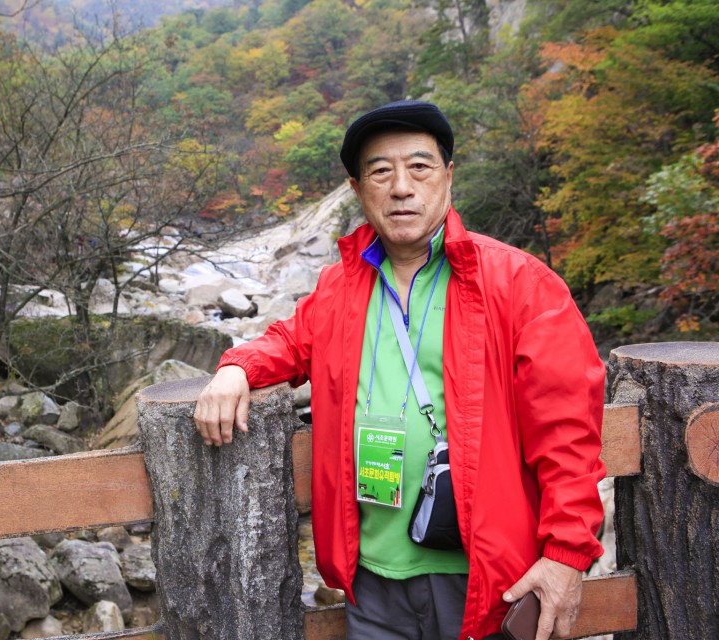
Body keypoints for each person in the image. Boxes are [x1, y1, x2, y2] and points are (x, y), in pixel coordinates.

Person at [193, 100, 605, 640]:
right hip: (372, 580)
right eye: (381, 172)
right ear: (358, 189)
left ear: (448, 176)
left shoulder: (520, 284)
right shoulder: (341, 287)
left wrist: (567, 555)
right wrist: (236, 368)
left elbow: (568, 433)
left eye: (419, 167)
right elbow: (289, 340)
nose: (402, 188)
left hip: (487, 578)